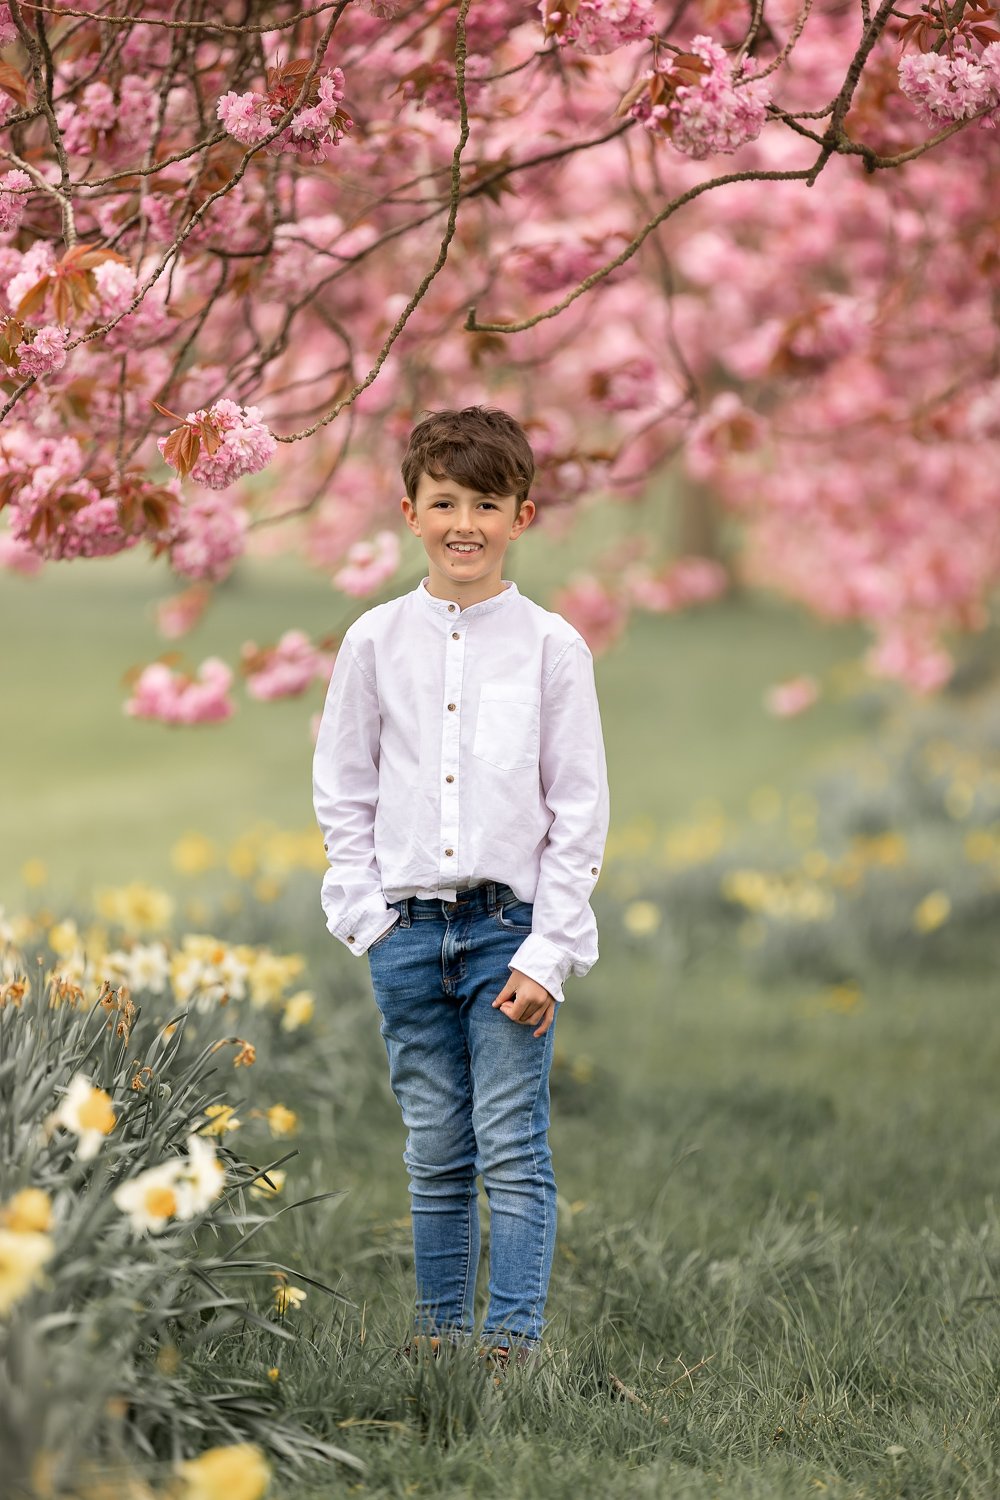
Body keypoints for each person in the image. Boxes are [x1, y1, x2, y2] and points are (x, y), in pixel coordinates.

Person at [312, 405, 610, 1369]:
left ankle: (511, 1348)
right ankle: (440, 1340)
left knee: (512, 1150)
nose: (465, 523)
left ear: (523, 515)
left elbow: (578, 810)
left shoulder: (552, 648)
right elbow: (344, 786)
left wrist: (550, 952)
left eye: (489, 502)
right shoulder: (373, 642)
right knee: (436, 1148)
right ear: (410, 511)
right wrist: (364, 916)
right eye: (445, 502)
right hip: (405, 933)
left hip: (508, 934)